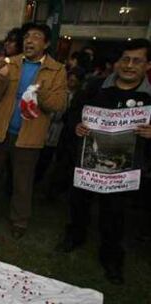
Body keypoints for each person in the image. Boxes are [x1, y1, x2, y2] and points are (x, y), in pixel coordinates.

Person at [55, 39, 151, 285]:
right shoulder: (95, 87)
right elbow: (74, 113)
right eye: (125, 60)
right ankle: (75, 236)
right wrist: (77, 126)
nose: (129, 65)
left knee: (114, 216)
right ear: (116, 63)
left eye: (136, 60)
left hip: (124, 173)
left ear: (147, 65)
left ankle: (111, 258)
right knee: (78, 205)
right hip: (89, 166)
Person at [0, 23, 67, 239]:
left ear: (47, 43)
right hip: (0, 132)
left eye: (36, 36)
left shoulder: (57, 70)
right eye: (27, 37)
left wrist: (40, 94)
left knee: (22, 183)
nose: (29, 40)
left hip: (29, 138)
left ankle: (19, 221)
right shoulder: (10, 63)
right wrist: (1, 77)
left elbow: (59, 104)